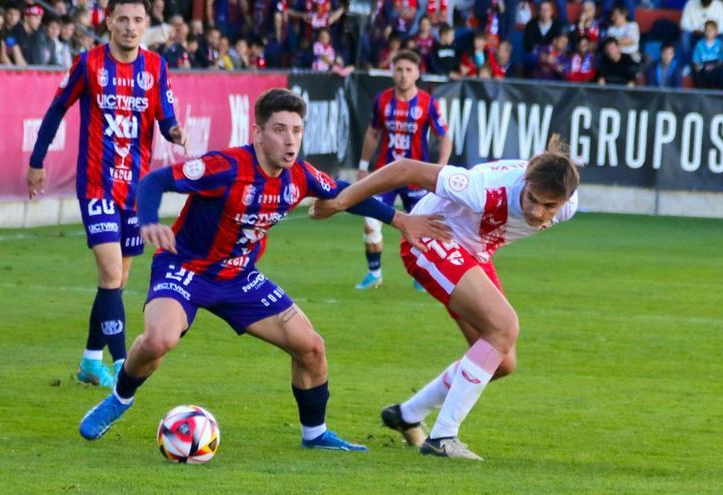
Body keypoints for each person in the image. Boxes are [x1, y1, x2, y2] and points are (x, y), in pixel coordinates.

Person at [77, 88, 451, 448]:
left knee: (311, 347)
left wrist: (399, 219)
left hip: (239, 278)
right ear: (257, 133)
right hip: (186, 269)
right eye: (279, 130)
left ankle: (315, 434)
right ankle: (120, 399)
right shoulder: (225, 167)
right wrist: (147, 221)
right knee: (159, 340)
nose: (291, 140)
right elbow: (156, 180)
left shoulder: (299, 176)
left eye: (297, 131)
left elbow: (342, 193)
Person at [311, 134, 579, 460]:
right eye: (533, 199)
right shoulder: (481, 187)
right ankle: (443, 437)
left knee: (502, 362)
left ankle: (407, 414)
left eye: (549, 206)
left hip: (474, 253)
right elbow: (406, 168)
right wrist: (341, 202)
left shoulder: (568, 206)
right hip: (431, 238)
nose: (538, 212)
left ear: (565, 201)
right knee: (505, 326)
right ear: (525, 181)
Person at [26, 0, 188, 388]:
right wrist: (37, 161)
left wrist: (175, 132)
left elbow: (165, 117)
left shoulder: (155, 67)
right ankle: (121, 368)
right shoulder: (88, 64)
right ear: (109, 23)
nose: (130, 27)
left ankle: (89, 361)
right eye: (123, 20)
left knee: (117, 281)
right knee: (111, 273)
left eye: (137, 21)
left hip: (136, 190)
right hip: (97, 185)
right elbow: (55, 110)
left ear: (145, 24)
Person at [356, 50, 451, 290]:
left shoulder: (428, 103)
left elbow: (444, 136)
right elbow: (373, 132)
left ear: (418, 73)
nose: (403, 75)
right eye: (399, 69)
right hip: (385, 174)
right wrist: (363, 166)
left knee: (425, 227)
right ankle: (374, 273)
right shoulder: (383, 100)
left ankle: (421, 276)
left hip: (417, 179)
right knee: (370, 223)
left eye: (409, 70)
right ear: (392, 72)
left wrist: (440, 167)